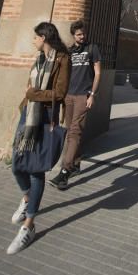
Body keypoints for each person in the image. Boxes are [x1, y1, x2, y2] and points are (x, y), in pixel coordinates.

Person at [8, 22, 70, 255]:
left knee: (36, 170)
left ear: (44, 37)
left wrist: (34, 94)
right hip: (29, 115)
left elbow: (60, 93)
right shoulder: (40, 59)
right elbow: (31, 84)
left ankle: (29, 225)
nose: (33, 41)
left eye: (36, 37)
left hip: (44, 117)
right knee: (16, 165)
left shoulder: (62, 59)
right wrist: (27, 99)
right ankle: (27, 198)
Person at [49, 19, 101, 190]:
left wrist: (92, 94)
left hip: (82, 96)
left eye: (83, 33)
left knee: (75, 131)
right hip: (69, 96)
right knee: (69, 128)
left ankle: (64, 172)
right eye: (79, 34)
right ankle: (76, 164)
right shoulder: (70, 51)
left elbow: (98, 72)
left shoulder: (92, 49)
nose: (82, 36)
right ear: (73, 35)